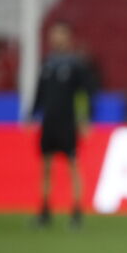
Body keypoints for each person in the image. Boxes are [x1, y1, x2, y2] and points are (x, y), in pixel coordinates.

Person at [32, 22, 96, 228]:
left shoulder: (76, 64)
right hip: (49, 122)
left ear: (68, 37)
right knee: (46, 166)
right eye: (53, 33)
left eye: (59, 33)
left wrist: (85, 118)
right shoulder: (47, 63)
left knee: (73, 165)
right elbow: (40, 91)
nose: (55, 37)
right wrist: (33, 114)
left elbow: (86, 93)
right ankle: (45, 210)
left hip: (68, 122)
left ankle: (77, 211)